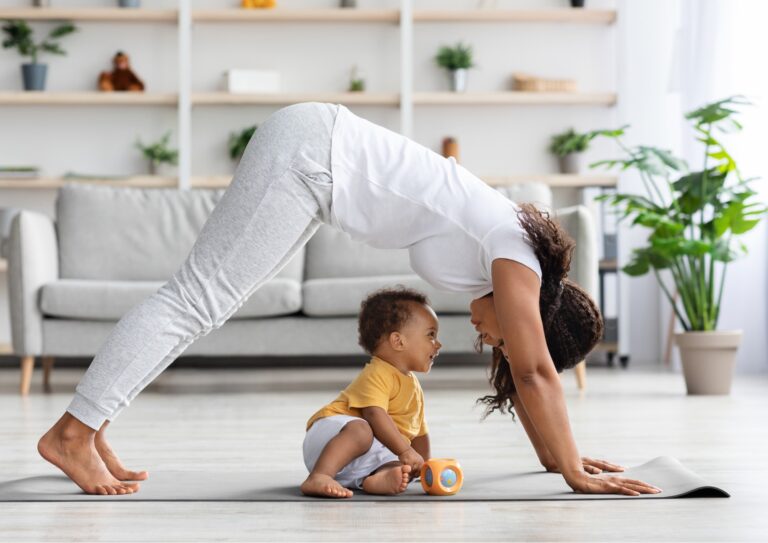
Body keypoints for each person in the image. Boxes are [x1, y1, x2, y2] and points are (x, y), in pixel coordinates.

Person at [38, 102, 660, 497]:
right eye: (498, 335)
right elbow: (533, 370)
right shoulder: (514, 253)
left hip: (317, 169)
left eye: (493, 340)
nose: (484, 338)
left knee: (207, 305)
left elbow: (521, 377)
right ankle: (72, 433)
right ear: (536, 317)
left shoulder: (505, 267)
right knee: (195, 300)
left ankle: (90, 430)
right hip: (312, 156)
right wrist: (577, 475)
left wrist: (561, 459)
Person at [301, 287, 438, 498]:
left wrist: (423, 466)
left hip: (357, 456)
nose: (438, 344)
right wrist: (406, 451)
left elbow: (419, 431)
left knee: (398, 466)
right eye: (431, 335)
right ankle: (319, 475)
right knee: (363, 430)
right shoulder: (378, 372)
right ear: (398, 341)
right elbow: (374, 414)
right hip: (330, 438)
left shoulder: (412, 385)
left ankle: (375, 479)